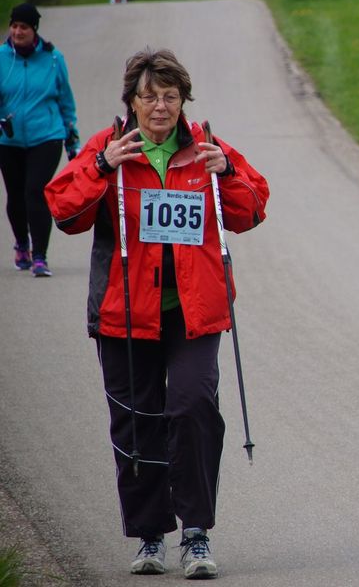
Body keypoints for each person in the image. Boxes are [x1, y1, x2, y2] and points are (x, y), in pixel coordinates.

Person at [44, 48, 270, 579]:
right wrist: (101, 167)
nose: (161, 107)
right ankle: (150, 535)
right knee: (138, 421)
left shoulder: (206, 147)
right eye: (149, 97)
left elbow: (252, 209)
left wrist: (227, 172)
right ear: (132, 101)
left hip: (194, 312)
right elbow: (64, 212)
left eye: (170, 97)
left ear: (183, 101)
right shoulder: (109, 148)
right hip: (126, 313)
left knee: (192, 407)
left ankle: (196, 532)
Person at [0, 2, 78, 276]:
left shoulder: (53, 59)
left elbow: (65, 100)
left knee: (36, 191)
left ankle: (40, 256)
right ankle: (22, 243)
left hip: (46, 136)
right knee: (15, 195)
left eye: (23, 27)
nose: (17, 31)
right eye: (14, 26)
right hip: (8, 140)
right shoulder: (2, 57)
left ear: (34, 29)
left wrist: (72, 140)